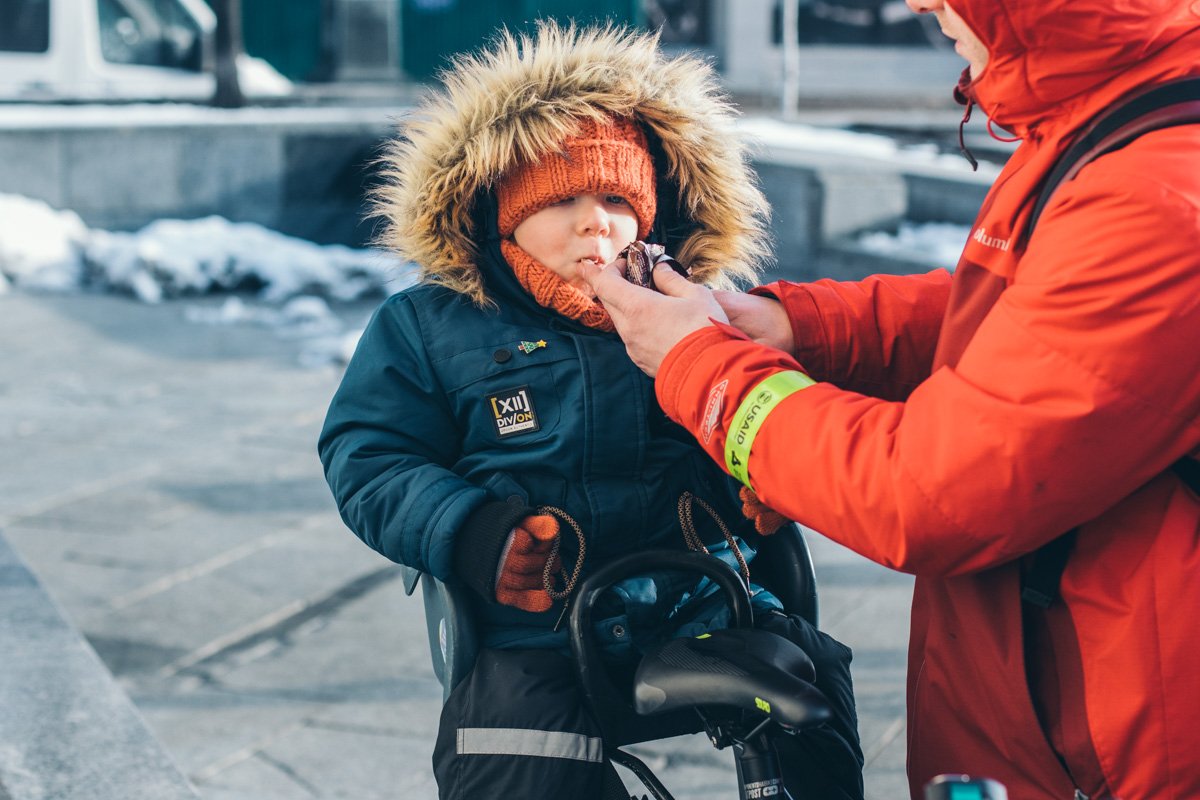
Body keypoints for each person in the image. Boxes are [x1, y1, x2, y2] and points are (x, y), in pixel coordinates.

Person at [584, 1, 1200, 798]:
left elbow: (935, 492)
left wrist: (704, 370)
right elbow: (1025, 318)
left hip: (1124, 744)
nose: (917, 2)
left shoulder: (1157, 187)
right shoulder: (1118, 120)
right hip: (1059, 704)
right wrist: (800, 329)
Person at [317, 22, 864, 800]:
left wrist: (766, 471)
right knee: (515, 754)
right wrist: (470, 531)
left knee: (810, 690)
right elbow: (369, 453)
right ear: (502, 213)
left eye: (615, 198)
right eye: (561, 199)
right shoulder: (432, 326)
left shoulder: (690, 309)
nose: (595, 221)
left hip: (701, 594)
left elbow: (753, 402)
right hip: (534, 624)